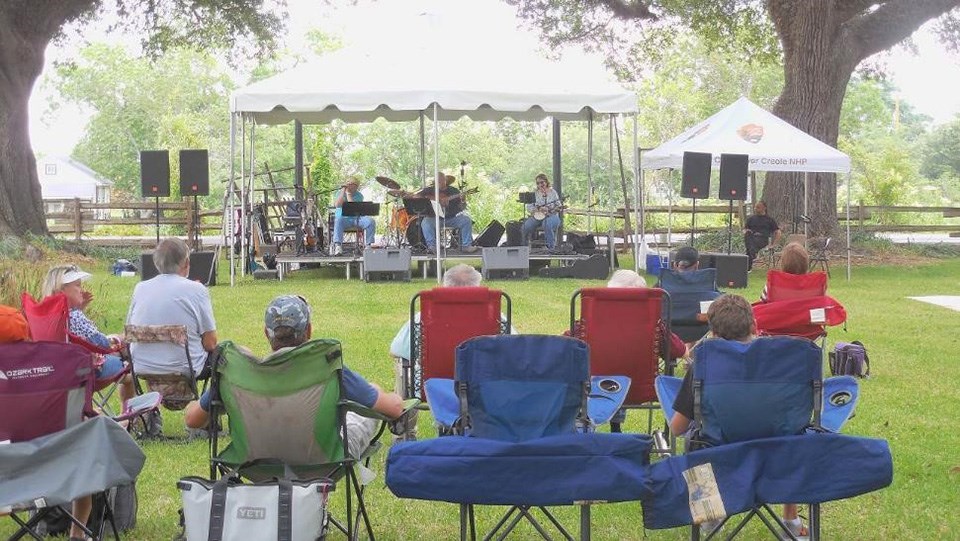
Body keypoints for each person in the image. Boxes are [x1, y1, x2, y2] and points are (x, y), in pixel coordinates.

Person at [185, 295, 403, 459]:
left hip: (254, 462)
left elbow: (193, 420)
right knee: (367, 397)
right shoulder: (330, 369)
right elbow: (392, 408)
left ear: (266, 333)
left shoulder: (237, 373)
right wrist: (391, 397)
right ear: (308, 331)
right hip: (323, 461)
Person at [670, 294, 806, 538]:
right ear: (754, 326)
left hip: (722, 457)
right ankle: (791, 520)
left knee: (693, 438)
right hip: (779, 457)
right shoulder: (785, 361)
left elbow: (677, 428)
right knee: (794, 436)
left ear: (712, 334)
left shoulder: (704, 364)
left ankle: (709, 515)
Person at [389, 264, 511, 441]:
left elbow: (396, 351)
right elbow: (513, 350)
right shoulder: (497, 318)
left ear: (445, 287)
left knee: (403, 366)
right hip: (486, 386)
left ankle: (405, 434)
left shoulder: (423, 318)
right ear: (477, 288)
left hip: (431, 386)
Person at [567, 269, 687, 433]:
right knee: (622, 370)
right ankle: (616, 427)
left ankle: (593, 424)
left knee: (610, 370)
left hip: (592, 388)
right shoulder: (654, 327)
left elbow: (565, 345)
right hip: (641, 387)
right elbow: (678, 350)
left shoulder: (587, 324)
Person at [42, 265, 135, 405]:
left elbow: (73, 338)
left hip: (59, 373)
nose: (82, 290)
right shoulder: (74, 316)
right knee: (130, 371)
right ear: (62, 290)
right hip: (88, 372)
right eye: (78, 286)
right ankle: (128, 417)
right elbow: (102, 344)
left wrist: (79, 308)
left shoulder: (48, 315)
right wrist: (118, 339)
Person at [126, 237, 218, 378]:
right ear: (186, 262)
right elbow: (210, 343)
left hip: (142, 367)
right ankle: (208, 400)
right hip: (187, 369)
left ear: (156, 263)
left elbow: (130, 328)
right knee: (225, 358)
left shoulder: (140, 288)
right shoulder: (197, 290)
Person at [413, 172, 476, 253]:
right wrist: (434, 199)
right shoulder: (429, 190)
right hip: (435, 219)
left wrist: (463, 200)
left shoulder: (454, 191)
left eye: (441, 180)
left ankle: (466, 246)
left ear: (445, 180)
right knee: (425, 222)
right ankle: (432, 246)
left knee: (466, 220)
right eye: (437, 180)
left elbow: (462, 208)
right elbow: (416, 197)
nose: (439, 182)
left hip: (451, 218)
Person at [331, 176, 377, 255]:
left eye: (352, 184)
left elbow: (352, 207)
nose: (350, 186)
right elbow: (337, 205)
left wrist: (348, 194)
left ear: (356, 186)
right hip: (343, 219)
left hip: (357, 218)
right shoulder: (339, 193)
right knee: (338, 220)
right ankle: (338, 245)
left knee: (370, 221)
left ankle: (368, 245)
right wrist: (343, 192)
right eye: (348, 183)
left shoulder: (359, 195)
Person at [521, 173, 563, 250]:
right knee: (525, 226)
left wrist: (552, 209)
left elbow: (559, 206)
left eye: (542, 182)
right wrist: (537, 209)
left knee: (546, 224)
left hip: (551, 216)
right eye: (538, 183)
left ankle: (551, 248)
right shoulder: (535, 193)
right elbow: (529, 207)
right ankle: (524, 248)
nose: (540, 185)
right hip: (537, 216)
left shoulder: (553, 192)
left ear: (546, 182)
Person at [744, 201, 782, 271]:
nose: (755, 209)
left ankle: (749, 265)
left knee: (750, 248)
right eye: (755, 207)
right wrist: (746, 231)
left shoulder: (769, 220)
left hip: (763, 239)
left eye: (758, 207)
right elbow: (745, 230)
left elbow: (778, 232)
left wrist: (773, 244)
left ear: (764, 208)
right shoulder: (751, 219)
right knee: (748, 236)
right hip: (752, 238)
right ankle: (752, 253)